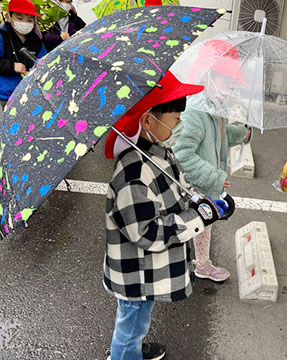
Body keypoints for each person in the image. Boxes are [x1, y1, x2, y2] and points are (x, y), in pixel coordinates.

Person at [103, 70, 233, 360]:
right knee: (131, 322)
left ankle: (133, 347)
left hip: (144, 271)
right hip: (135, 273)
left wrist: (207, 205)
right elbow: (146, 233)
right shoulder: (133, 175)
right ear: (148, 120)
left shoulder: (157, 152)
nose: (180, 124)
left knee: (138, 318)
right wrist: (197, 219)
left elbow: (180, 188)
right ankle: (125, 353)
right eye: (174, 119)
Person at [173, 39, 250, 283]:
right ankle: (199, 265)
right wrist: (216, 177)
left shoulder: (213, 106)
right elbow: (182, 154)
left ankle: (195, 262)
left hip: (207, 185)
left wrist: (240, 133)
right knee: (198, 224)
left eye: (232, 82)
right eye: (225, 80)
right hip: (197, 186)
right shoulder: (195, 111)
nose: (230, 87)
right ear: (207, 77)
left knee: (203, 225)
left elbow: (218, 137)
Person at [0, 0, 47, 111]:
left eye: (29, 20)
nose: (25, 23)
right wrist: (12, 66)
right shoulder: (2, 36)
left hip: (31, 92)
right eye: (19, 18)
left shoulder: (36, 41)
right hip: (8, 95)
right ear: (8, 16)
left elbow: (44, 61)